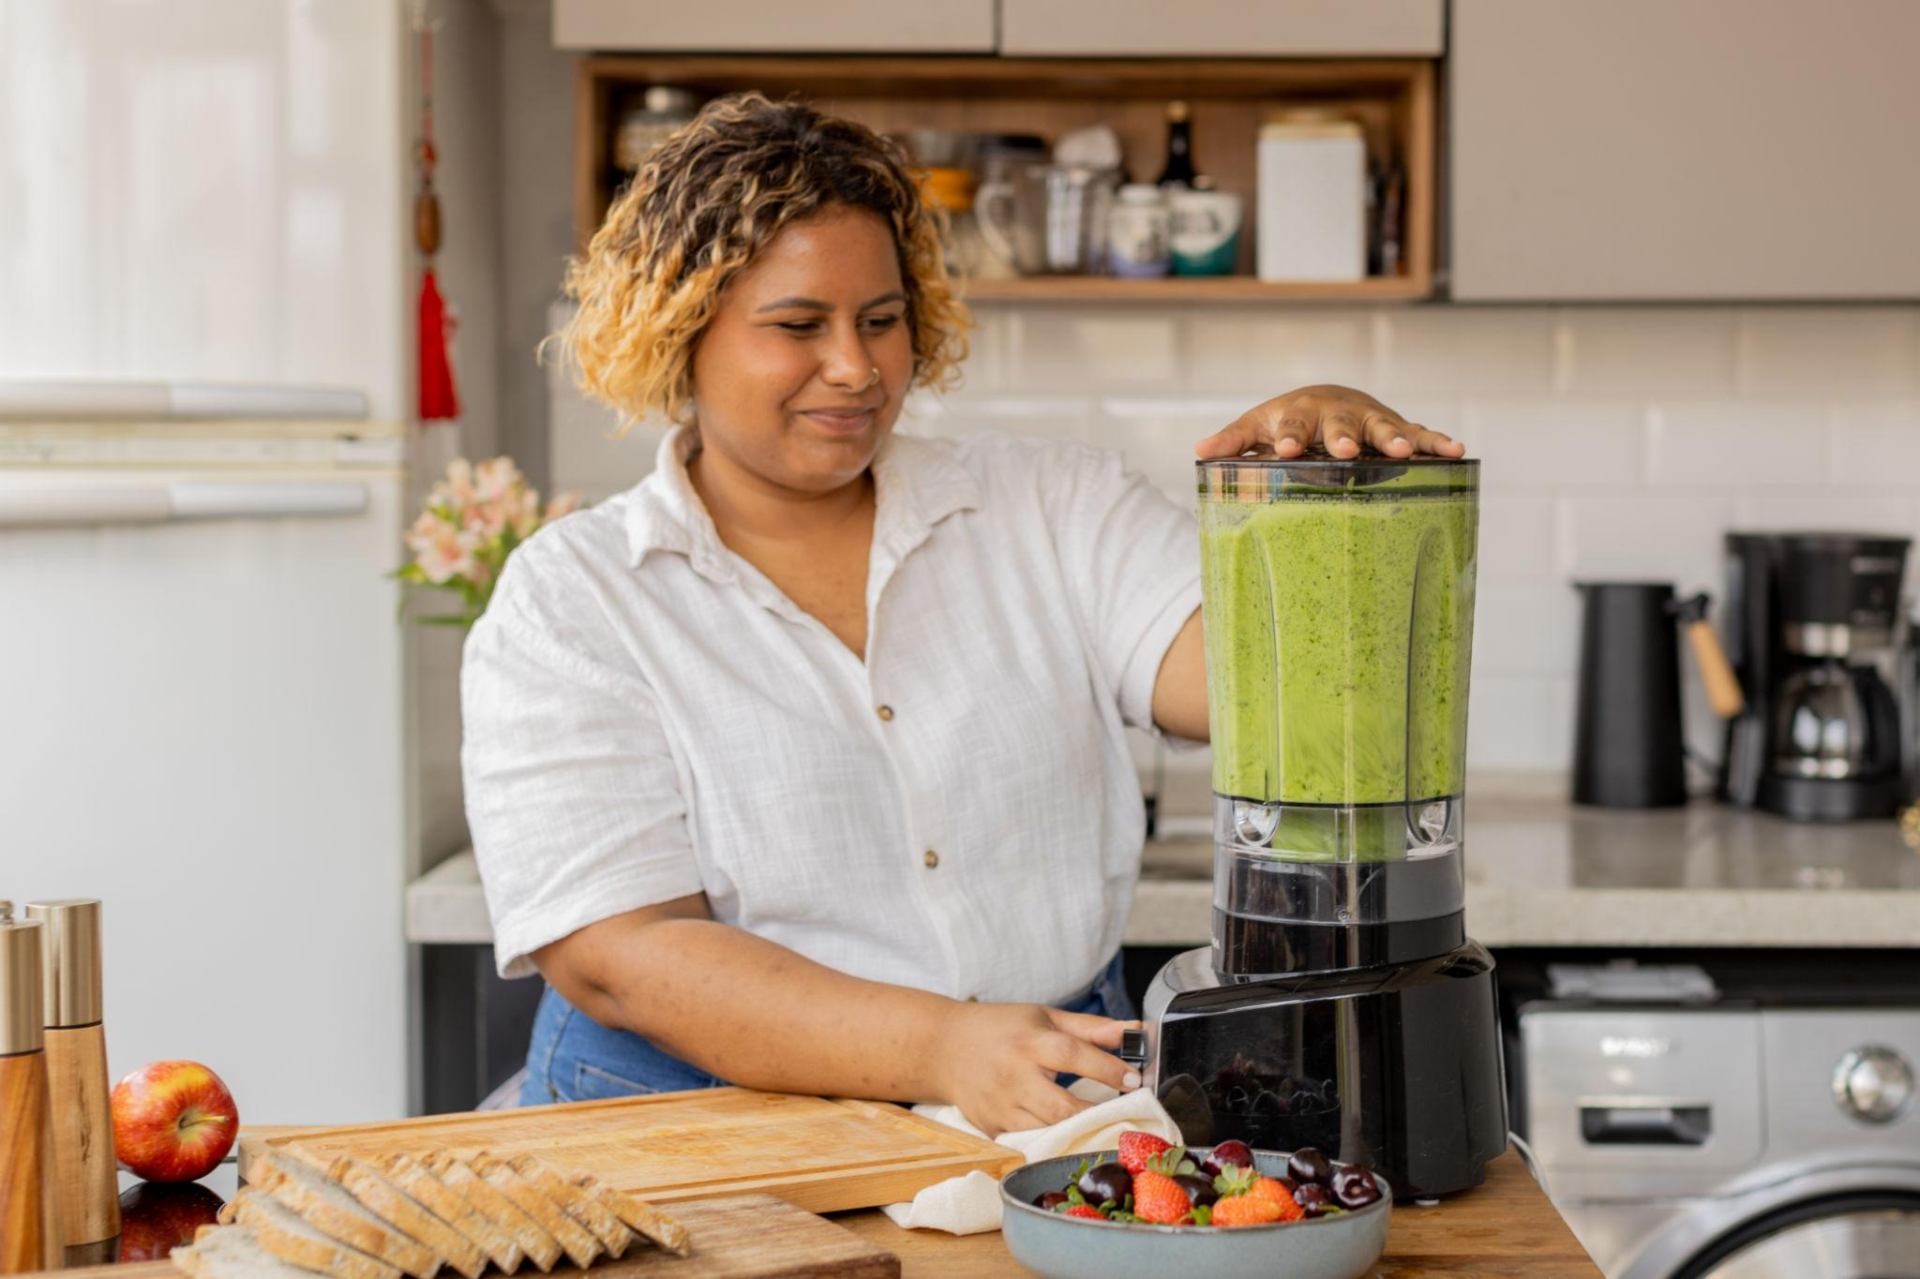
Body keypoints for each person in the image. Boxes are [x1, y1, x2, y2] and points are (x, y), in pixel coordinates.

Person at [462, 93, 1464, 1136]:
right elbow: (621, 954)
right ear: (679, 332)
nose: (856, 367)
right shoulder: (572, 597)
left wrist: (1319, 498)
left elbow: (1281, 704)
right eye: (798, 325)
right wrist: (938, 1044)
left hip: (1045, 1099)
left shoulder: (1053, 505)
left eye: (881, 320)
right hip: (690, 1120)